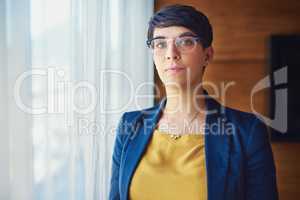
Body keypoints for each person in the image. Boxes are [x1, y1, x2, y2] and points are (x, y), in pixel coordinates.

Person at [109, 4, 278, 200]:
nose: (171, 53)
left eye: (185, 41)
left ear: (207, 55)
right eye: (160, 43)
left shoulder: (247, 132)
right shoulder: (129, 126)